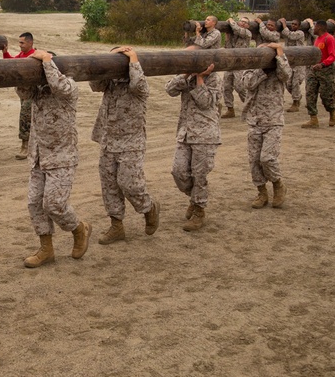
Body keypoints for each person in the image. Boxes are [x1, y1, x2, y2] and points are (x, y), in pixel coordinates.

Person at [17, 50, 91, 267]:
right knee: (34, 203)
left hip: (62, 156)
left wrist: (47, 61)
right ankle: (46, 249)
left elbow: (59, 86)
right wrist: (25, 71)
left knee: (55, 204)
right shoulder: (37, 89)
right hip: (39, 155)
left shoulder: (69, 86)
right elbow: (22, 92)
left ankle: (79, 229)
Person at [89, 46, 159, 244]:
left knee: (129, 183)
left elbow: (138, 85)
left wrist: (134, 60)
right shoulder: (109, 83)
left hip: (131, 142)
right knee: (109, 185)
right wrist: (108, 58)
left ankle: (149, 208)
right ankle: (117, 225)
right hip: (108, 141)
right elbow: (95, 84)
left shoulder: (138, 83)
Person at [165, 62, 221, 231]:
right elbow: (170, 90)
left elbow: (205, 102)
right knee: (178, 171)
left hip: (205, 135)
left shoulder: (214, 79)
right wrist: (186, 74)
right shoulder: (186, 76)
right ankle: (195, 199)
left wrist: (200, 78)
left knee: (199, 175)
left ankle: (199, 210)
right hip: (185, 132)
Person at [236, 42, 291, 209]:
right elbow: (247, 84)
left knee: (267, 158)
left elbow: (286, 75)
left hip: (273, 119)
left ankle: (278, 184)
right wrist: (261, 70)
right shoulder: (251, 68)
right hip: (254, 119)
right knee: (254, 160)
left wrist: (280, 54)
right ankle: (262, 192)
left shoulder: (281, 66)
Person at [3, 32, 36, 159]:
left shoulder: (33, 56)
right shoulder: (23, 54)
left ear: (30, 43)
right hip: (24, 93)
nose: (20, 45)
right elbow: (12, 64)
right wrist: (5, 53)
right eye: (19, 42)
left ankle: (25, 147)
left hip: (31, 93)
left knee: (25, 118)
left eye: (22, 43)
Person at [300, 18, 335, 129]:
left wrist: (322, 64)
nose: (314, 29)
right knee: (310, 93)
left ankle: (332, 111)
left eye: (315, 26)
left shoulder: (329, 39)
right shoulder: (317, 39)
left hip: (326, 70)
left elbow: (332, 56)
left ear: (320, 27)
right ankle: (313, 118)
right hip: (314, 69)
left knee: (325, 95)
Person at [221, 15, 252, 118]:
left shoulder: (247, 33)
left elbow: (238, 30)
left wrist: (231, 21)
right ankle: (230, 109)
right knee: (226, 87)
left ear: (248, 26)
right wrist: (227, 35)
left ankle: (250, 107)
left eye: (245, 22)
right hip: (230, 64)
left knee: (240, 87)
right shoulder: (234, 34)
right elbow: (227, 47)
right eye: (241, 21)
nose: (242, 23)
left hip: (240, 65)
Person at [278, 18, 307, 112]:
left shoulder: (300, 33)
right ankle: (297, 97)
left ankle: (295, 103)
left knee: (295, 83)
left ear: (299, 26)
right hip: (291, 62)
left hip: (299, 62)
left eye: (295, 24)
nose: (293, 26)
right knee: (288, 84)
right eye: (292, 24)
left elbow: (291, 36)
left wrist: (284, 25)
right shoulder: (288, 32)